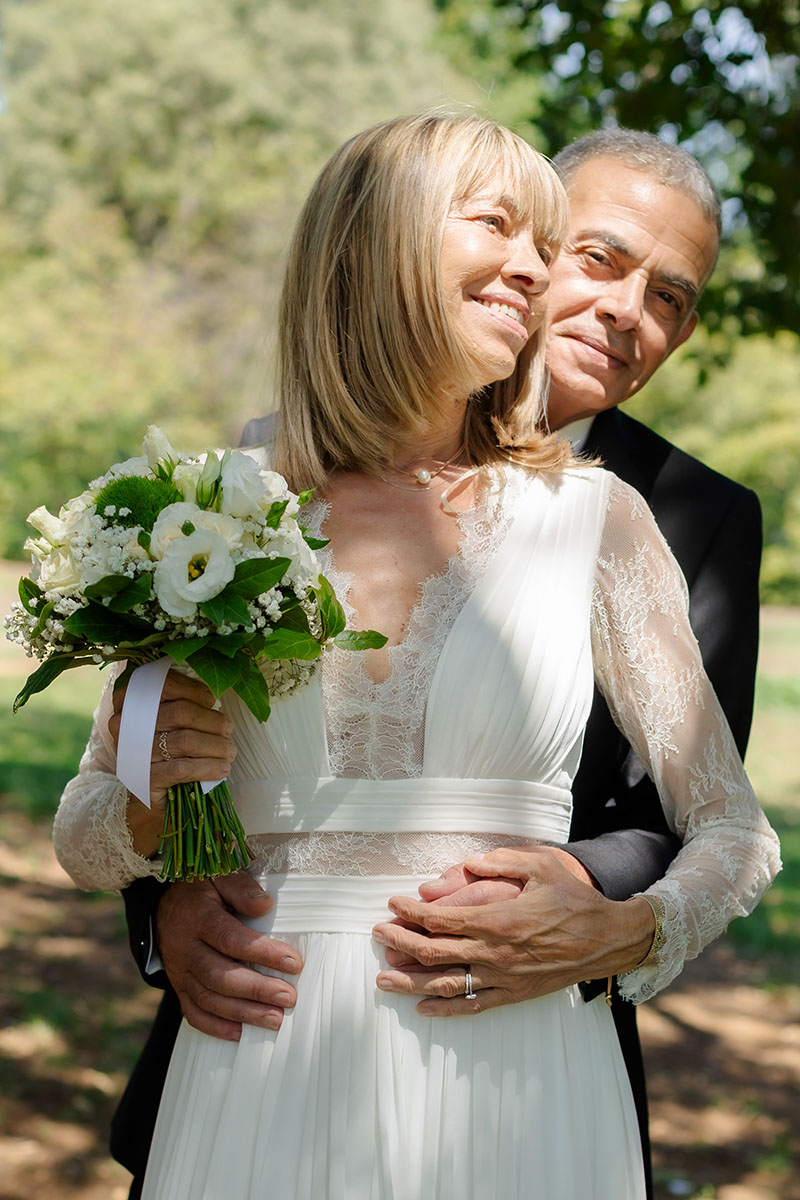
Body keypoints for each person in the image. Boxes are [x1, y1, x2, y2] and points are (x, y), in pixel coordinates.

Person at [53, 113, 779, 1199]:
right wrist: (167, 853)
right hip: (257, 1054)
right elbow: (108, 809)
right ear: (379, 243)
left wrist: (614, 927)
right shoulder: (216, 511)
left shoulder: (620, 515)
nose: (548, 279)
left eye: (671, 296)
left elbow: (711, 822)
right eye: (559, 245)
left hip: (515, 1062)